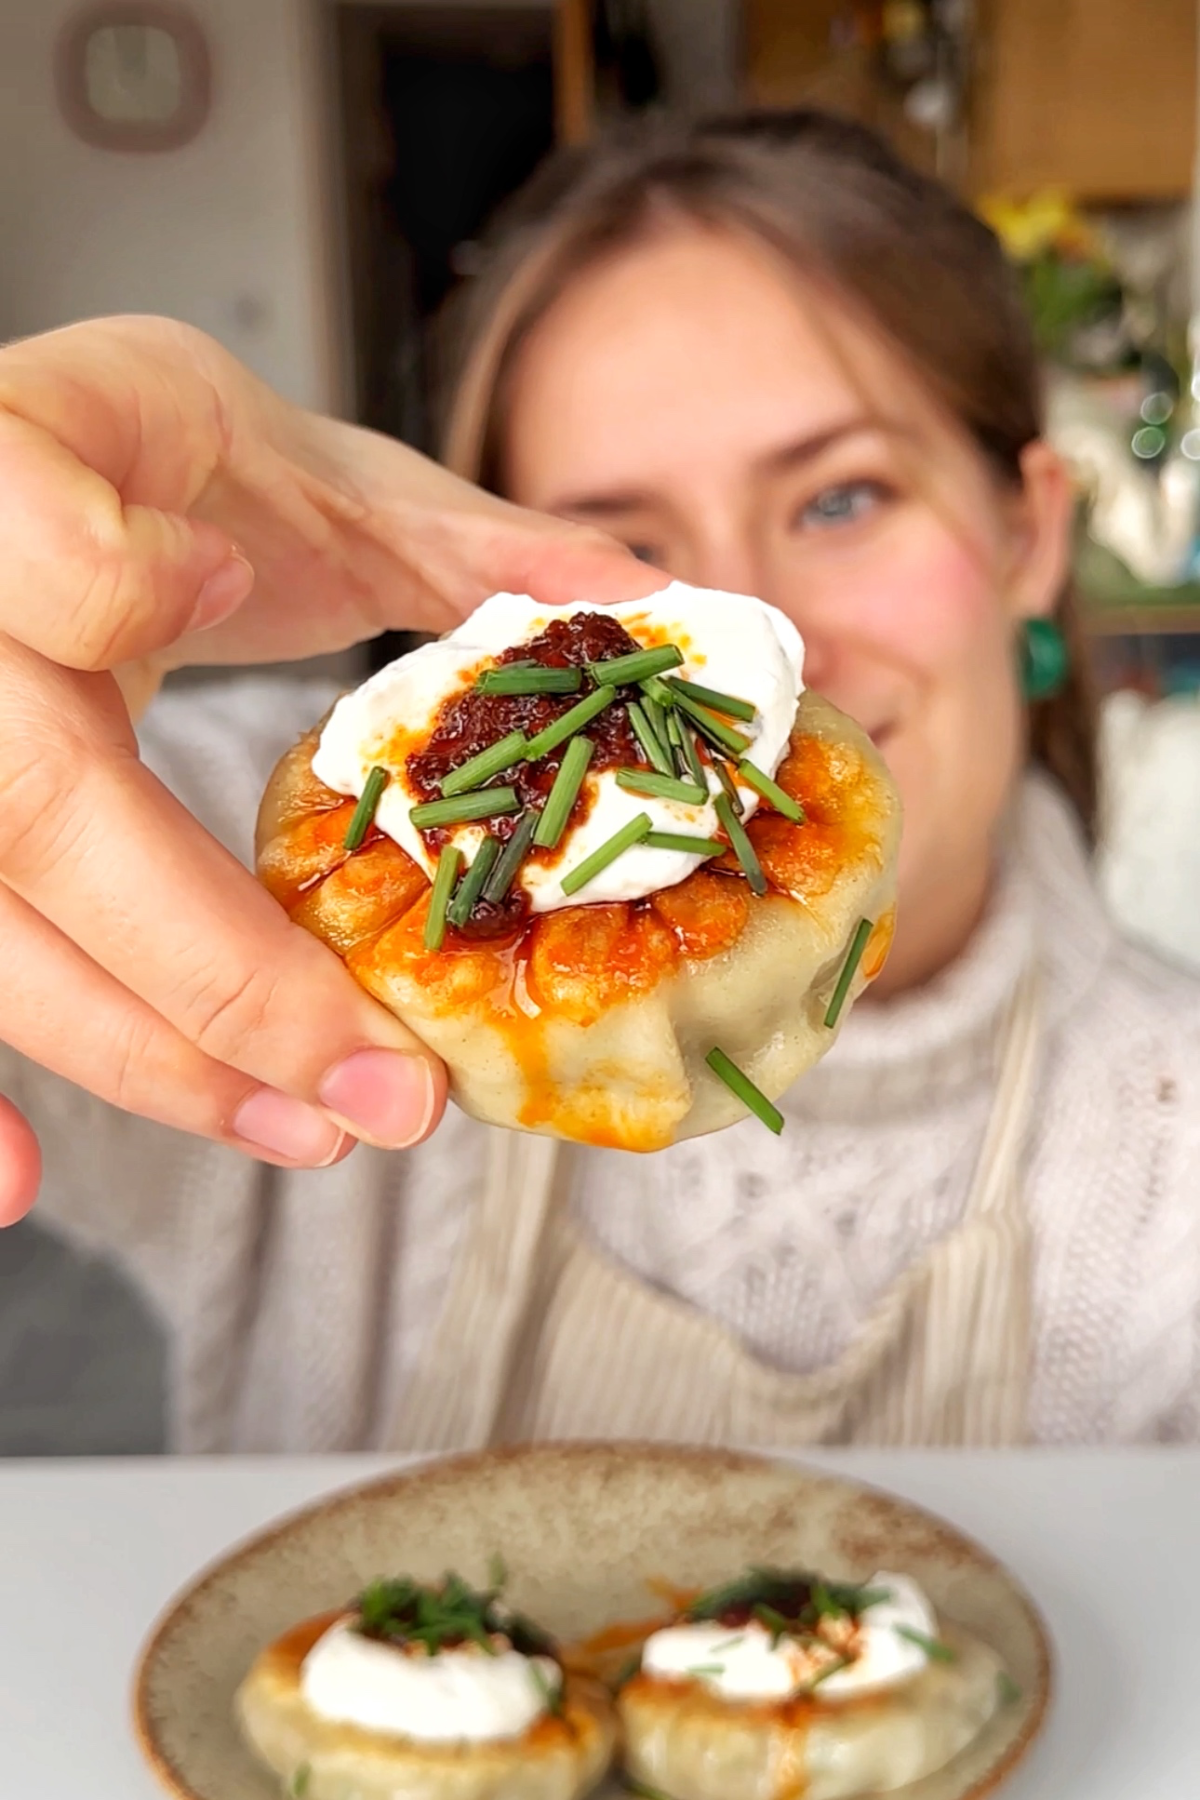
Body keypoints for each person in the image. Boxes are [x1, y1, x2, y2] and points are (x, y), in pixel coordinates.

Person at [4, 114, 1199, 1456]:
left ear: (1030, 531)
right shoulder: (268, 900)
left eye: (841, 499)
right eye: (623, 543)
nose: (750, 614)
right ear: (495, 608)